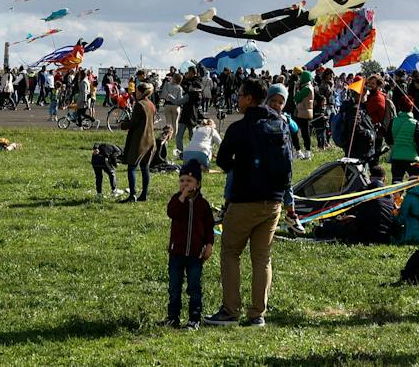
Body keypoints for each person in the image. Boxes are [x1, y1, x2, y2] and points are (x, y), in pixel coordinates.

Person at [205, 80, 292, 328]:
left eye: (241, 95)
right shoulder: (280, 124)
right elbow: (288, 164)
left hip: (244, 200)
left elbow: (222, 159)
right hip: (273, 201)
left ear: (250, 99)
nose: (238, 99)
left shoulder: (239, 128)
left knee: (231, 252)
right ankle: (257, 314)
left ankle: (230, 311)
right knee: (262, 258)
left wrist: (240, 172)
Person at [165, 160, 216, 329]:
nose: (185, 184)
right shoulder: (176, 200)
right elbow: (172, 213)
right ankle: (173, 316)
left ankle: (194, 318)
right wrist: (181, 197)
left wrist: (209, 244)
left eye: (189, 181)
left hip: (195, 254)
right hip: (177, 252)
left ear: (198, 184)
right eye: (182, 180)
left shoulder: (203, 205)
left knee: (194, 287)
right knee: (174, 286)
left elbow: (209, 226)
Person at [119, 86, 158, 203]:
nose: (135, 93)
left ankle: (132, 195)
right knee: (145, 167)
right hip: (150, 139)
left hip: (140, 139)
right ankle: (144, 194)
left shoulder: (139, 104)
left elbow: (134, 122)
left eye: (136, 91)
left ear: (141, 92)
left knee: (132, 166)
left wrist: (123, 124)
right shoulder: (151, 104)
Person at [389, 94, 419, 183]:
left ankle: (396, 197)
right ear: (412, 108)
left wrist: (394, 147)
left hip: (396, 157)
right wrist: (418, 155)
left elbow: (388, 138)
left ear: (399, 107)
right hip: (411, 157)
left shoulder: (393, 121)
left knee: (396, 184)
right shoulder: (415, 123)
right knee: (417, 183)